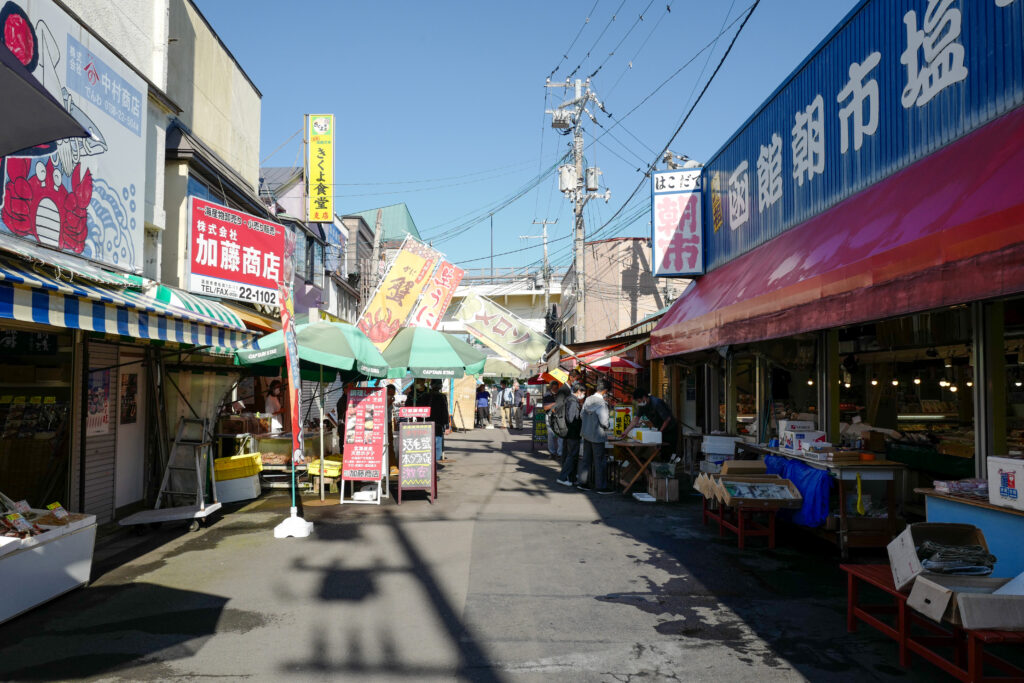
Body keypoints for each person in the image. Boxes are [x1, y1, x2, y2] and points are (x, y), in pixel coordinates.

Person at [580, 378, 614, 494]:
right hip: (597, 435)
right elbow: (604, 421)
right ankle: (601, 486)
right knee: (599, 461)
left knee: (586, 460)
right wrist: (609, 425)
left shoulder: (588, 399)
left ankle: (583, 483)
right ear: (605, 391)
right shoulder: (601, 403)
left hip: (586, 433)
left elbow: (581, 415)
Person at [626, 388, 678, 456]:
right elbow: (636, 419)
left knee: (668, 452)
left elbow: (667, 419)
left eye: (638, 401)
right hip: (660, 429)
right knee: (661, 452)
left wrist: (659, 432)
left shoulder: (656, 403)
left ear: (644, 397)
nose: (638, 403)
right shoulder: (642, 405)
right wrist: (626, 431)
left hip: (669, 429)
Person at [555, 382, 586, 486]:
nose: (583, 395)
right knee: (571, 456)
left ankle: (570, 477)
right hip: (573, 434)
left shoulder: (569, 399)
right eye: (583, 392)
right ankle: (562, 477)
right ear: (578, 391)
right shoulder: (573, 401)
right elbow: (571, 419)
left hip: (569, 433)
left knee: (570, 455)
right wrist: (580, 422)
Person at [426, 379, 450, 463]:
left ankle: (431, 461)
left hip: (427, 423)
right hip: (438, 424)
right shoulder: (442, 397)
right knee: (437, 444)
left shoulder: (426, 395)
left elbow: (445, 411)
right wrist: (447, 426)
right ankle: (434, 463)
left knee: (429, 442)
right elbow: (445, 412)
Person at [540, 380, 561, 459]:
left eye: (557, 388)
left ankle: (560, 453)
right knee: (551, 434)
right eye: (554, 388)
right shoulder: (547, 395)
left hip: (559, 415)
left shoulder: (560, 394)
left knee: (560, 434)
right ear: (551, 388)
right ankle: (552, 452)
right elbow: (545, 407)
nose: (556, 390)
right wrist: (554, 404)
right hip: (549, 416)